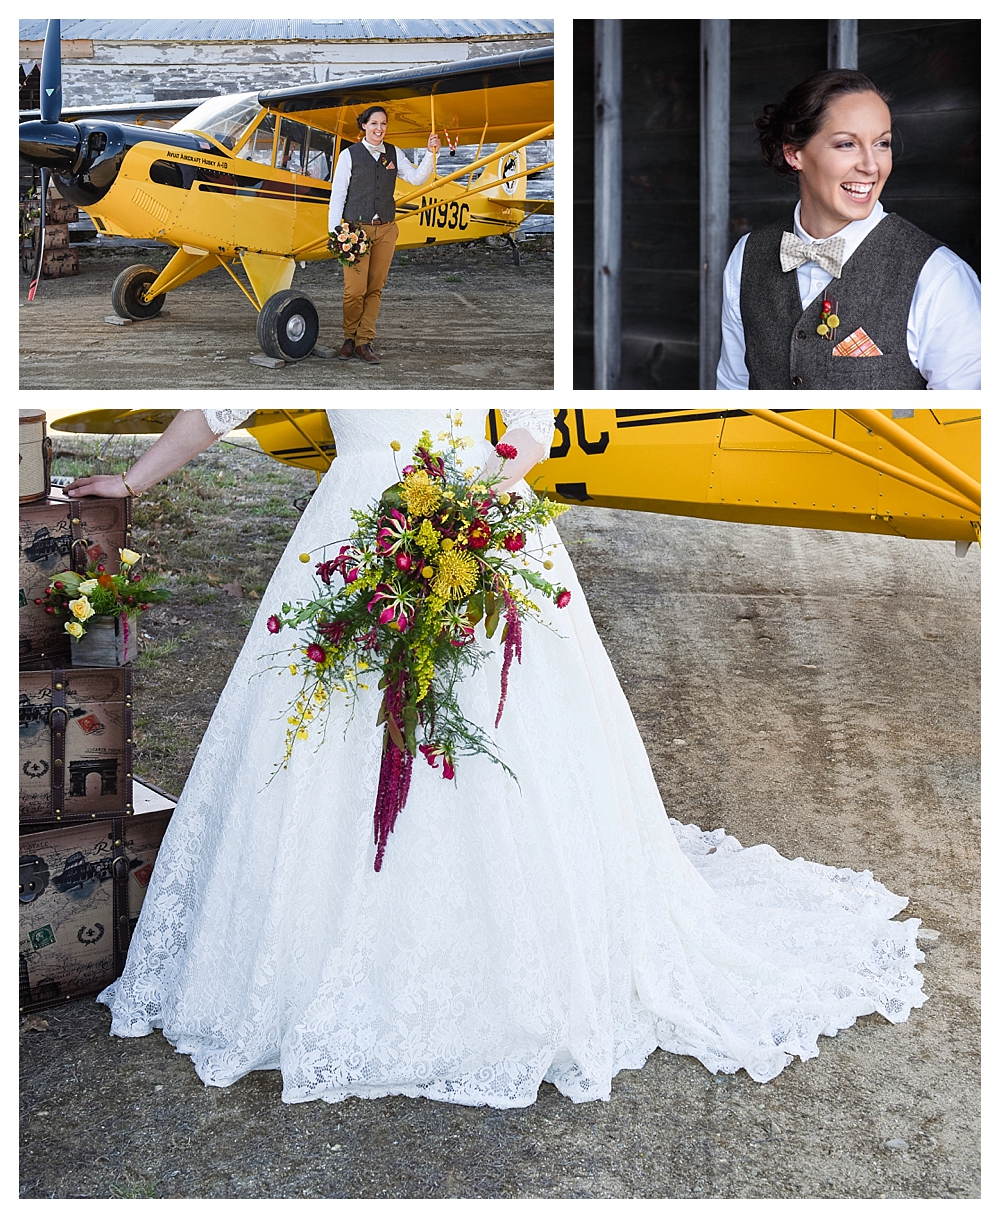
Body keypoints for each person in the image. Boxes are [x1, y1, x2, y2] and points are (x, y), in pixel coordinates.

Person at [67, 409, 926, 1107]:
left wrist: (480, 499)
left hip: (475, 531)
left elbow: (533, 426)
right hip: (349, 534)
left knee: (497, 742)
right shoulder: (322, 310)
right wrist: (132, 479)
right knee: (325, 736)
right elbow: (219, 411)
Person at [716, 69, 981, 390]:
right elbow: (732, 390)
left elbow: (965, 428)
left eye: (882, 143)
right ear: (794, 153)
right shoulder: (747, 256)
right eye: (847, 144)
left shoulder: (939, 277)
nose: (871, 165)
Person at [328, 106, 442, 365]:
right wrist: (336, 232)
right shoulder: (349, 155)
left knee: (375, 288)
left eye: (383, 124)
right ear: (364, 126)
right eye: (374, 124)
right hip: (355, 231)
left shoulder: (393, 153)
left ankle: (364, 341)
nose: (379, 128)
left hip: (386, 229)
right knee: (354, 290)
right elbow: (338, 195)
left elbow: (416, 178)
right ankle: (349, 338)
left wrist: (430, 153)